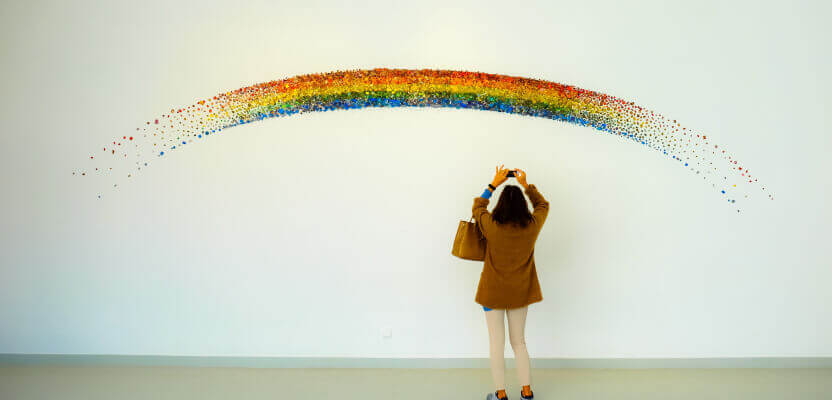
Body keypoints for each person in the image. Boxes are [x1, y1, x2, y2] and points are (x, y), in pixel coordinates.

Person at [472, 165, 550, 400]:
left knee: (496, 344)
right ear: (523, 206)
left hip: (492, 294)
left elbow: (478, 207)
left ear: (501, 205)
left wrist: (493, 184)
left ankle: (501, 394)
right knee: (519, 343)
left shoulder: (491, 225)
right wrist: (525, 185)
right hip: (520, 293)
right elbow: (543, 205)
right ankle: (526, 392)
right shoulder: (532, 226)